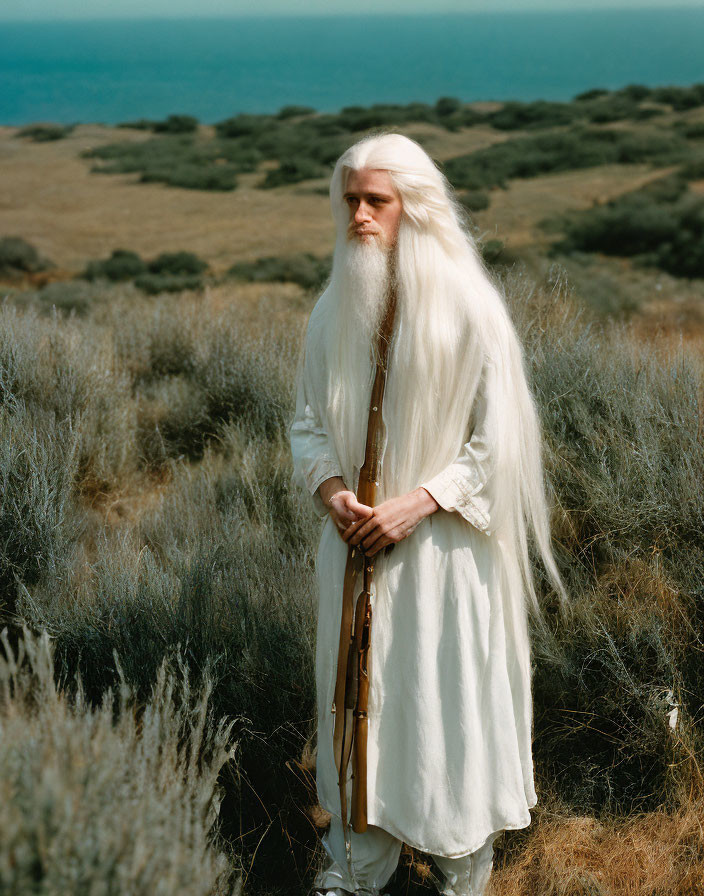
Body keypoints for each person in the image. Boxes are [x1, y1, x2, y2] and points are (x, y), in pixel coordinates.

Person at [289, 133, 567, 896]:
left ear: (414, 206)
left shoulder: (471, 307)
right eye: (349, 200)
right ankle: (357, 862)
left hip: (443, 557)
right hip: (351, 554)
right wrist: (333, 491)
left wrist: (420, 502)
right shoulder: (332, 308)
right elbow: (307, 420)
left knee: (443, 702)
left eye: (375, 200)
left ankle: (458, 867)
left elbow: (499, 437)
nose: (359, 216)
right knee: (356, 697)